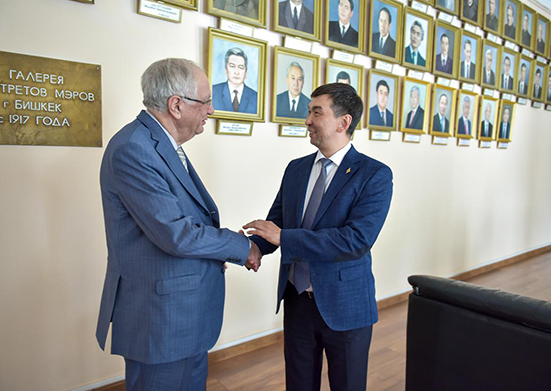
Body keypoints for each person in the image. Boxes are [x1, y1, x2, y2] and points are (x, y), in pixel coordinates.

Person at [96, 58, 262, 391]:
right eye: (205, 101)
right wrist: (241, 246)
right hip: (160, 321)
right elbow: (176, 234)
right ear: (176, 105)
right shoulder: (134, 149)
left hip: (184, 316)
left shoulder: (158, 144)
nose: (211, 110)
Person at [244, 82, 393, 391]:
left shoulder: (374, 175)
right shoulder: (296, 169)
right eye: (308, 112)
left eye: (316, 112)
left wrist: (284, 238)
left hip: (345, 305)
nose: (307, 120)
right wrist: (247, 248)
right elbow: (277, 224)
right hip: (297, 301)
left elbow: (355, 241)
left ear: (343, 122)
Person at [212, 48, 258, 114]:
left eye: (241, 67)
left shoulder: (255, 97)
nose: (236, 72)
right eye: (232, 66)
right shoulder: (214, 92)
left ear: (246, 72)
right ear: (226, 70)